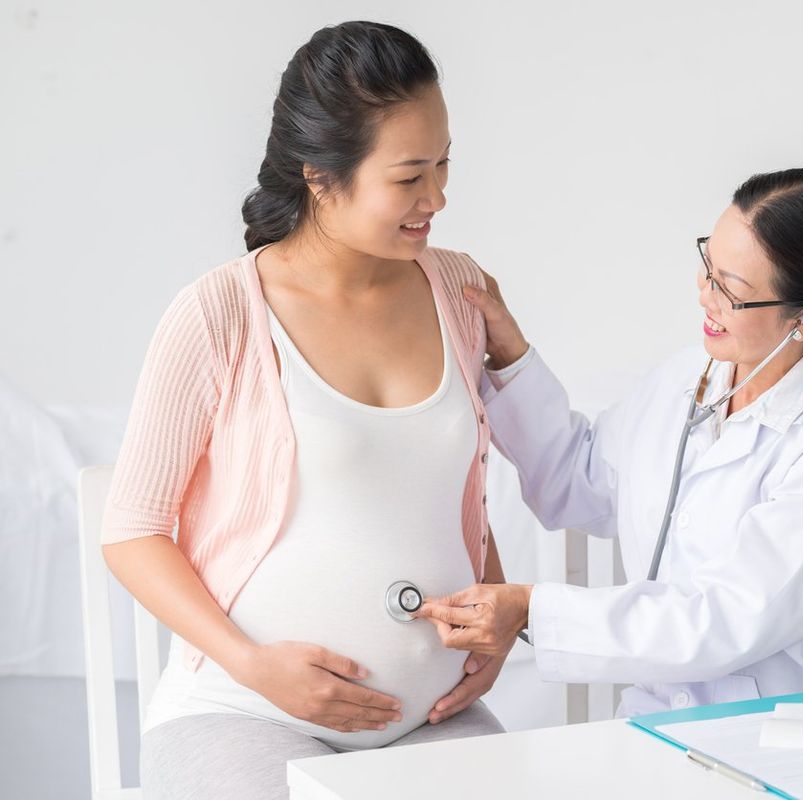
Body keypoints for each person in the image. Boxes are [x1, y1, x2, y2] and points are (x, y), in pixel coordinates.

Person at [100, 22, 507, 799]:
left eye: (445, 162)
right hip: (244, 710)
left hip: (434, 716)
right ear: (320, 176)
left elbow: (455, 485)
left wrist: (494, 614)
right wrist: (253, 665)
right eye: (410, 175)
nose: (438, 197)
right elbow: (131, 531)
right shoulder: (218, 312)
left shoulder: (459, 289)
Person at [418, 168, 803, 717]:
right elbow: (579, 481)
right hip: (670, 719)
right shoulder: (693, 377)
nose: (705, 295)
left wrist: (532, 609)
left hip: (800, 729)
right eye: (708, 269)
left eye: (732, 290)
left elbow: (721, 620)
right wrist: (509, 354)